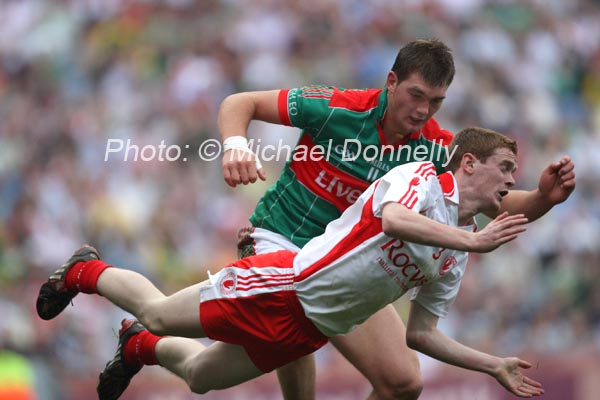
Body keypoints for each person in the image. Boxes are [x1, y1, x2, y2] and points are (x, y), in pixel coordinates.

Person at [37, 127, 552, 400]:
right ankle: (83, 270)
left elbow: (421, 335)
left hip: (310, 330)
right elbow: (393, 220)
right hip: (283, 285)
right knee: (158, 311)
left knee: (198, 376)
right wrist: (476, 245)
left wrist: (493, 365)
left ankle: (140, 348)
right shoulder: (420, 177)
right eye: (505, 168)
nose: (511, 182)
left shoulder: (454, 250)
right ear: (468, 163)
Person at [218, 39, 576, 399]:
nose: (423, 110)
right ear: (391, 81)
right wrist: (236, 144)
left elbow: (492, 202)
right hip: (280, 239)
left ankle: (163, 334)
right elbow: (240, 102)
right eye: (416, 95)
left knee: (403, 384)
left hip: (342, 262)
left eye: (436, 101)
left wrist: (543, 197)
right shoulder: (336, 107)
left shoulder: (438, 149)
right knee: (290, 333)